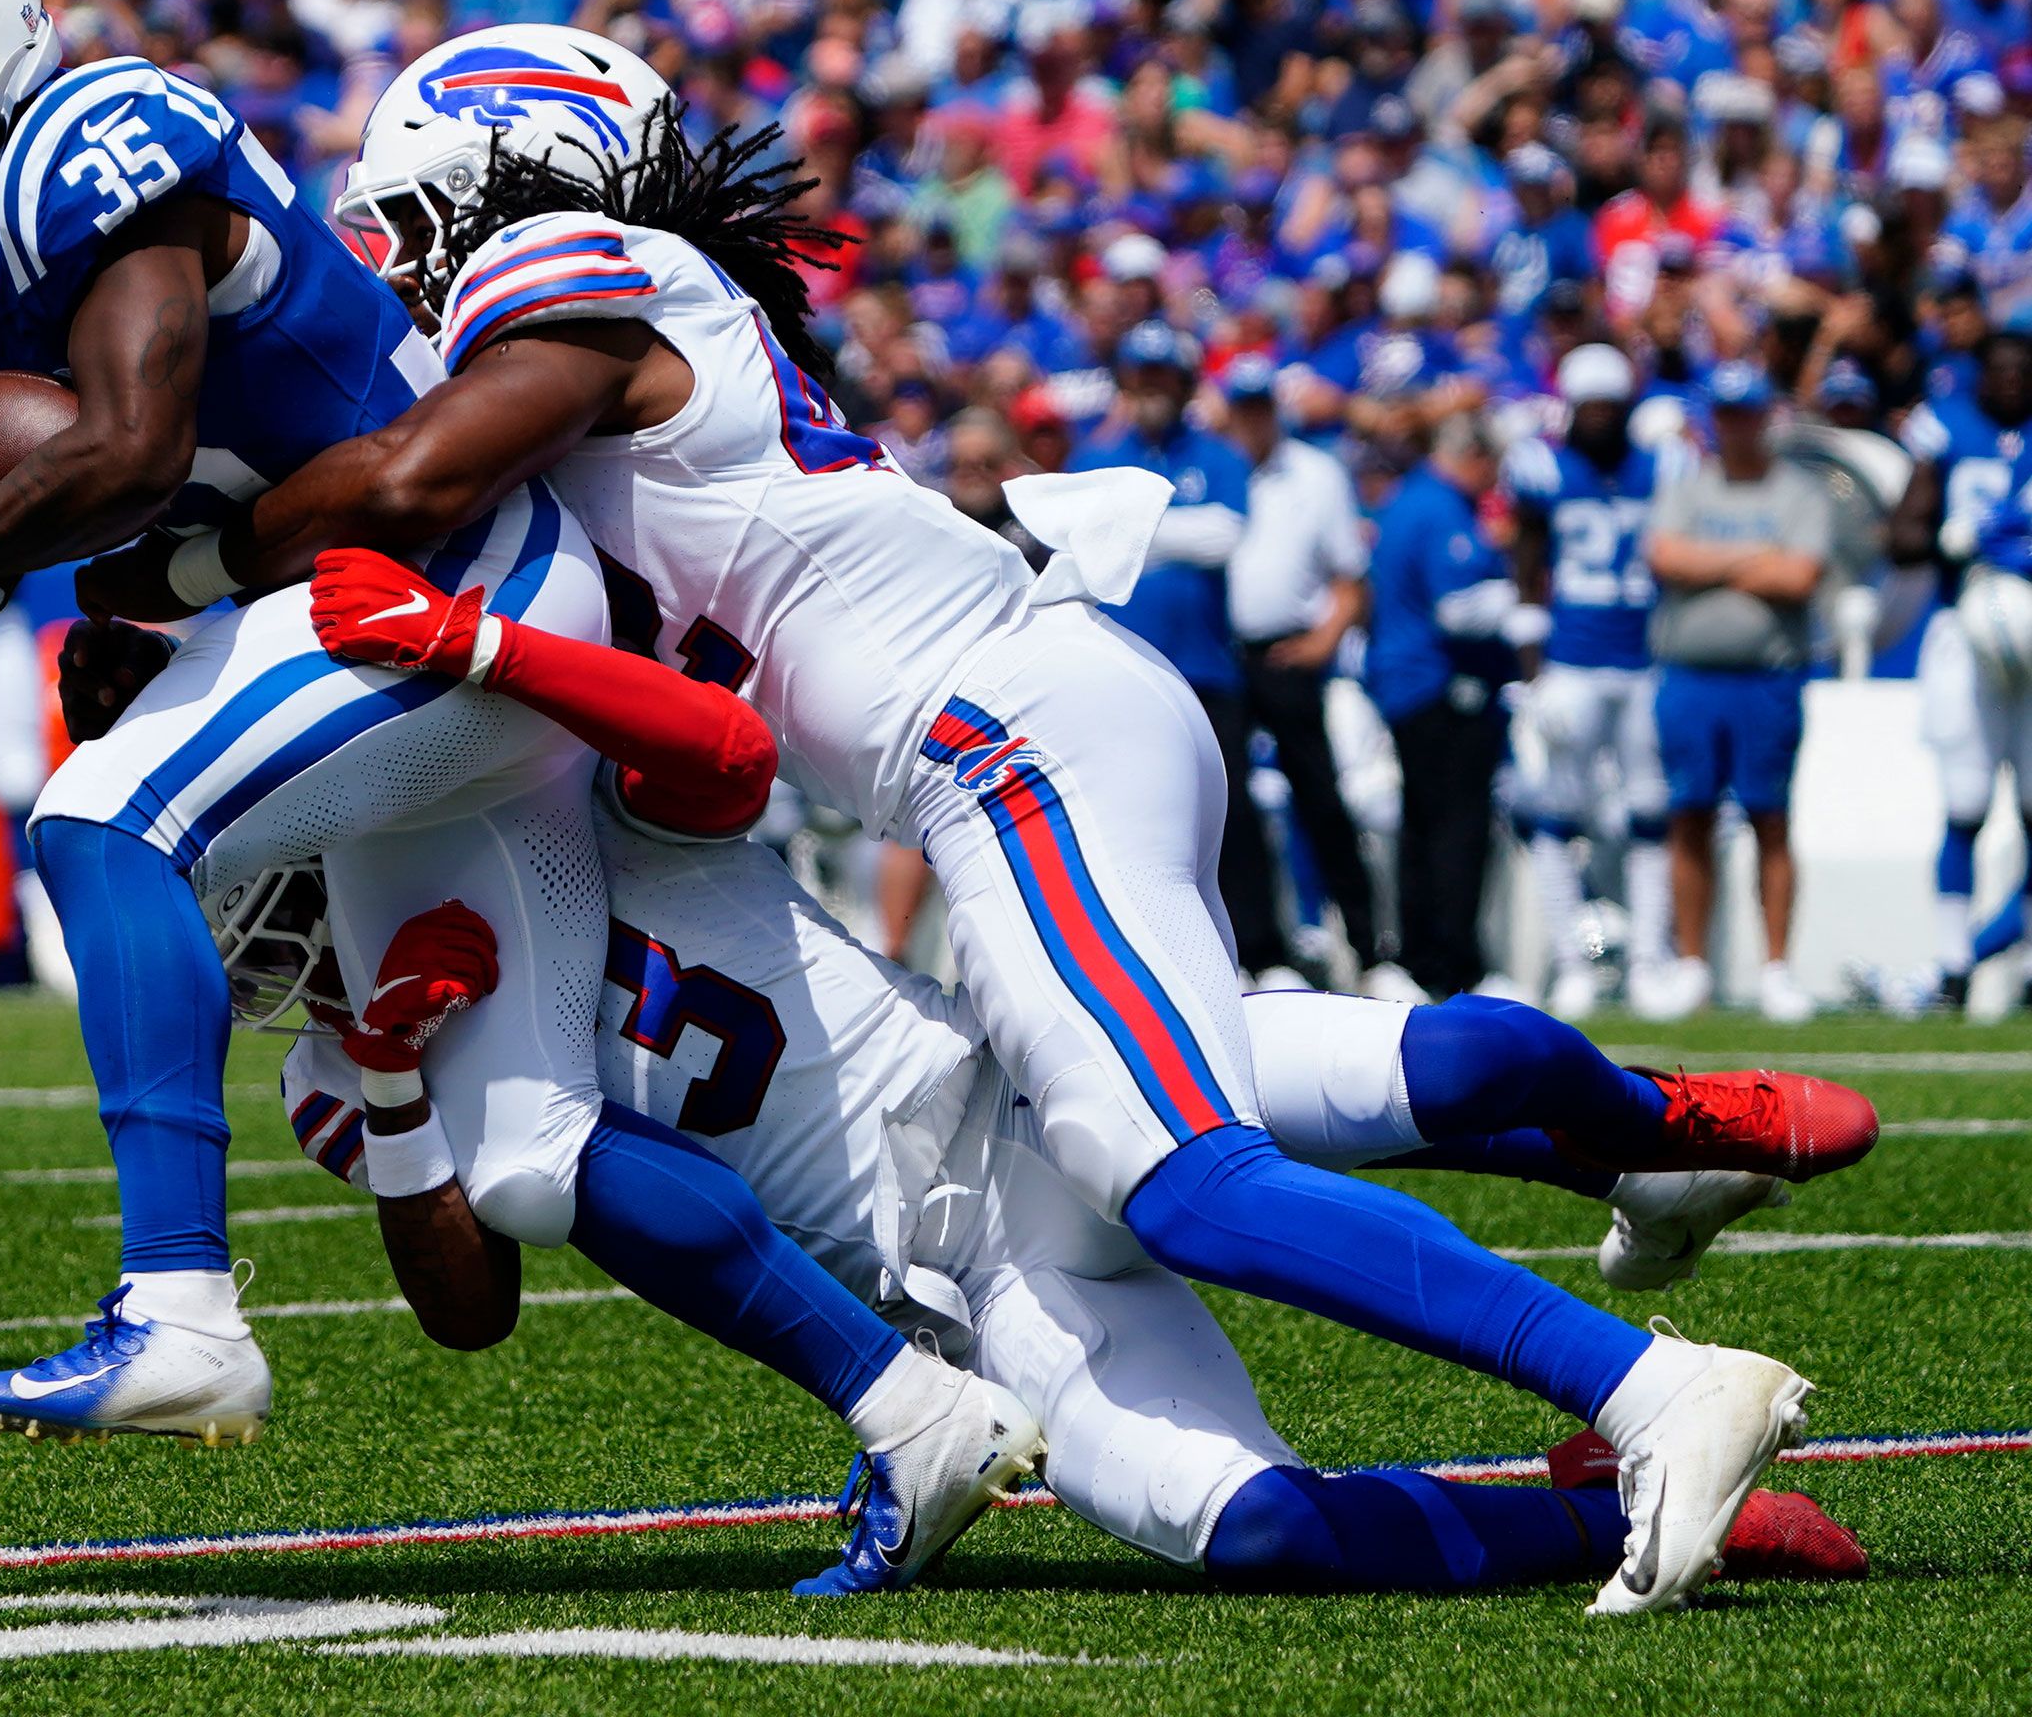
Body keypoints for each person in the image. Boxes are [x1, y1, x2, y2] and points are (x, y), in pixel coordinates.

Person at [80, 24, 1824, 1614]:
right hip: (985, 1064)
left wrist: (303, 587)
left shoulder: (579, 318)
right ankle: (1647, 1278)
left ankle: (1650, 1374)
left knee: (1181, 1166)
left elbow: (510, 583)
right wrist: (387, 1073)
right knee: (1260, 1494)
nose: (387, 267)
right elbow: (470, 1296)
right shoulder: (386, 958)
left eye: (404, 221)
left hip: (1003, 767)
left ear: (506, 175)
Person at [0, 0, 1025, 1572]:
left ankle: (181, 1308)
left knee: (102, 819)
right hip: (369, 612)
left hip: (438, 584)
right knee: (531, 1157)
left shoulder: (94, 140)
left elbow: (121, 457)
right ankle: (916, 1411)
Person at [117, 563, 1872, 1598]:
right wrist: (408, 1085)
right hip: (972, 1278)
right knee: (1252, 1539)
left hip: (1013, 1076)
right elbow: (473, 1306)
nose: (258, 921)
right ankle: (1587, 1509)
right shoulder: (338, 1081)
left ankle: (1662, 1139)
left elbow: (718, 761)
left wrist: (483, 655)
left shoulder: (535, 810)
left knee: (1459, 1054)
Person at [1072, 321, 1288, 983]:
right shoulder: (1096, 455)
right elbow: (1083, 545)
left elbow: (1225, 535)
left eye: (1163, 378)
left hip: (1204, 667)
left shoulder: (1216, 455)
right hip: (1120, 669)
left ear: (1186, 385)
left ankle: (1261, 953)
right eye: (1140, 377)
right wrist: (1163, 534)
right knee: (1128, 814)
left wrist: (1132, 530)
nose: (1151, 391)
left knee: (1227, 813)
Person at [1637, 364, 1834, 1024]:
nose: (1735, 425)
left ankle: (1776, 967)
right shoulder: (1687, 487)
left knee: (1770, 818)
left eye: (1745, 412)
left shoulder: (1798, 490)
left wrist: (1710, 566)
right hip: (1690, 673)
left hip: (1766, 676)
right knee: (1687, 815)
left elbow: (1800, 575)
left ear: (1765, 416)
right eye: (1724, 414)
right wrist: (1756, 558)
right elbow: (1666, 558)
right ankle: (1693, 963)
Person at [1506, 344, 1678, 1021]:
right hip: (1572, 661)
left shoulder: (1663, 464)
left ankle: (1650, 963)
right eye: (1591, 406)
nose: (1602, 418)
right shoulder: (1543, 467)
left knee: (1649, 813)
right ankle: (1572, 963)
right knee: (1554, 813)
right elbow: (1526, 562)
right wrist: (1532, 673)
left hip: (1643, 662)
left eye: (1613, 405)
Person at [1221, 355, 1385, 987]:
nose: (1253, 420)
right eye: (1244, 408)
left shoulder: (1315, 474)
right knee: (1233, 808)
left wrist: (1323, 640)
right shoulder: (1215, 470)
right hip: (1224, 657)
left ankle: (1370, 946)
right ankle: (1261, 952)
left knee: (1321, 798)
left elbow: (1349, 575)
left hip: (1290, 649)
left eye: (1262, 406)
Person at [1368, 413, 1531, 1004]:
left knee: (1423, 826)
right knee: (1456, 830)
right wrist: (1526, 602)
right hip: (1439, 687)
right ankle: (1451, 959)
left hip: (1408, 685)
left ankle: (1421, 956)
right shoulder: (1441, 508)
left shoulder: (1410, 500)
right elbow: (1457, 609)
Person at [1892, 330, 2032, 1011]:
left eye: (2022, 371)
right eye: (1999, 370)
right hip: (1964, 631)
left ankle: (2019, 954)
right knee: (1966, 804)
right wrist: (1949, 540)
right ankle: (1953, 963)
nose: (2011, 381)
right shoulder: (1945, 427)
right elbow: (1900, 534)